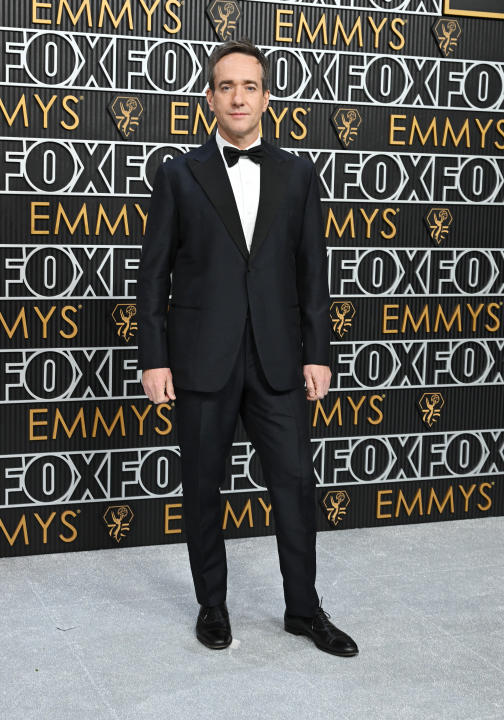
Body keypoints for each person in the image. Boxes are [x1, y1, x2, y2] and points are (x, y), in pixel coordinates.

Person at [136, 38, 358, 658]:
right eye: (226, 86)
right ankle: (213, 605)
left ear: (266, 97)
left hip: (280, 358)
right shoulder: (178, 173)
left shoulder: (297, 173)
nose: (239, 96)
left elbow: (314, 273)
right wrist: (154, 358)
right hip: (201, 358)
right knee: (202, 487)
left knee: (294, 483)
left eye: (251, 86)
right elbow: (153, 275)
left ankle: (303, 609)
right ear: (209, 98)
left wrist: (319, 354)